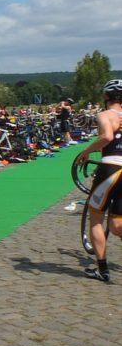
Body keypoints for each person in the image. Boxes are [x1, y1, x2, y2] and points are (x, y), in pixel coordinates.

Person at [75, 79, 122, 282]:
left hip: (111, 167)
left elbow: (107, 137)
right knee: (116, 226)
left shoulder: (105, 115)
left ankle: (102, 269)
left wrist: (86, 151)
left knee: (96, 219)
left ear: (106, 97)